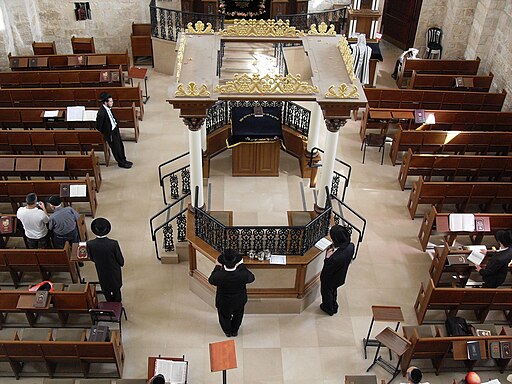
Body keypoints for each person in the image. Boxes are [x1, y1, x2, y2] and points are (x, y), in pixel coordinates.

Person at [208, 249, 255, 337]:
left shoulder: (219, 275)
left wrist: (217, 267)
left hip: (223, 302)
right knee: (238, 315)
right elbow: (252, 278)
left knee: (224, 317)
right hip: (239, 300)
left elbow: (211, 280)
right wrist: (242, 266)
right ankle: (235, 331)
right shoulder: (243, 274)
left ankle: (227, 332)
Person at [86, 217, 125, 302]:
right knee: (116, 290)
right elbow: (120, 260)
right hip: (113, 270)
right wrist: (121, 263)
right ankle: (117, 304)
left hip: (101, 270)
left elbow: (92, 258)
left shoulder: (90, 244)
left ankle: (109, 303)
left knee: (106, 289)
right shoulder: (113, 244)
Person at [320, 225, 354, 316]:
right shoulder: (351, 246)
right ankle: (334, 305)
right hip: (340, 276)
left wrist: (327, 258)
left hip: (330, 279)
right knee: (333, 291)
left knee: (327, 292)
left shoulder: (334, 258)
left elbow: (327, 271)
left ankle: (328, 308)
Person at [96, 92, 133, 169]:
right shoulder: (101, 113)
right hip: (110, 133)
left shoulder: (108, 108)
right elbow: (99, 126)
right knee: (116, 148)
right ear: (105, 102)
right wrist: (107, 132)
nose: (112, 103)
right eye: (110, 101)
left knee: (120, 146)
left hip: (115, 129)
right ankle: (121, 162)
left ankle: (124, 159)